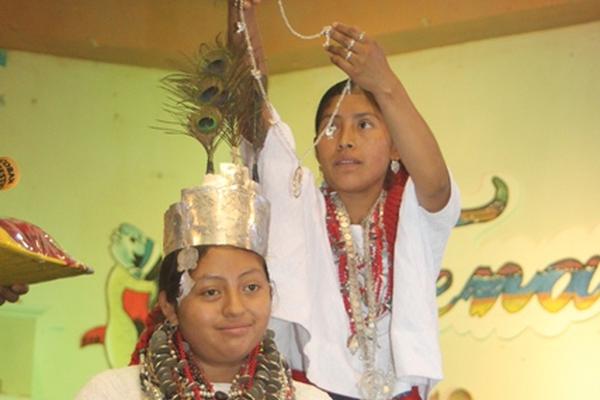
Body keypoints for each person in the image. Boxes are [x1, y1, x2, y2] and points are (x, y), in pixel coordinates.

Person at [238, 2, 461, 400]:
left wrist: (385, 82)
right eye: (330, 127)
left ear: (396, 146)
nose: (344, 140)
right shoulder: (298, 205)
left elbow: (439, 185)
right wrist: (242, 17)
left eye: (364, 125)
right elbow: (252, 111)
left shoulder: (412, 209)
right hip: (309, 387)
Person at [76, 164, 331, 400]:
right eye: (211, 292)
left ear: (271, 294)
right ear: (169, 306)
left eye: (251, 287)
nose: (235, 308)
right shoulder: (113, 393)